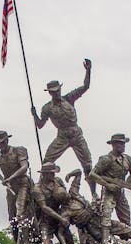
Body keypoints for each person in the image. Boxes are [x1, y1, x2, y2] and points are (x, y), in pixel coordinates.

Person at [32, 59, 96, 198]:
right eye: (52, 92)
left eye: (57, 90)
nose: (55, 93)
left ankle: (94, 194)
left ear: (60, 89)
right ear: (49, 93)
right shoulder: (47, 108)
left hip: (76, 134)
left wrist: (88, 70)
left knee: (87, 164)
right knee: (47, 161)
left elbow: (85, 86)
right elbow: (41, 125)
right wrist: (35, 115)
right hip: (62, 136)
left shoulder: (69, 98)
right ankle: (40, 189)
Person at [89, 133, 131, 231]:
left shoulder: (128, 159)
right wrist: (107, 185)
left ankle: (126, 241)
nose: (123, 146)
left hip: (120, 192)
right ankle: (104, 242)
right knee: (106, 216)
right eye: (120, 144)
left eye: (124, 144)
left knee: (126, 218)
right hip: (108, 192)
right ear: (114, 145)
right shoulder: (106, 159)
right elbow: (92, 174)